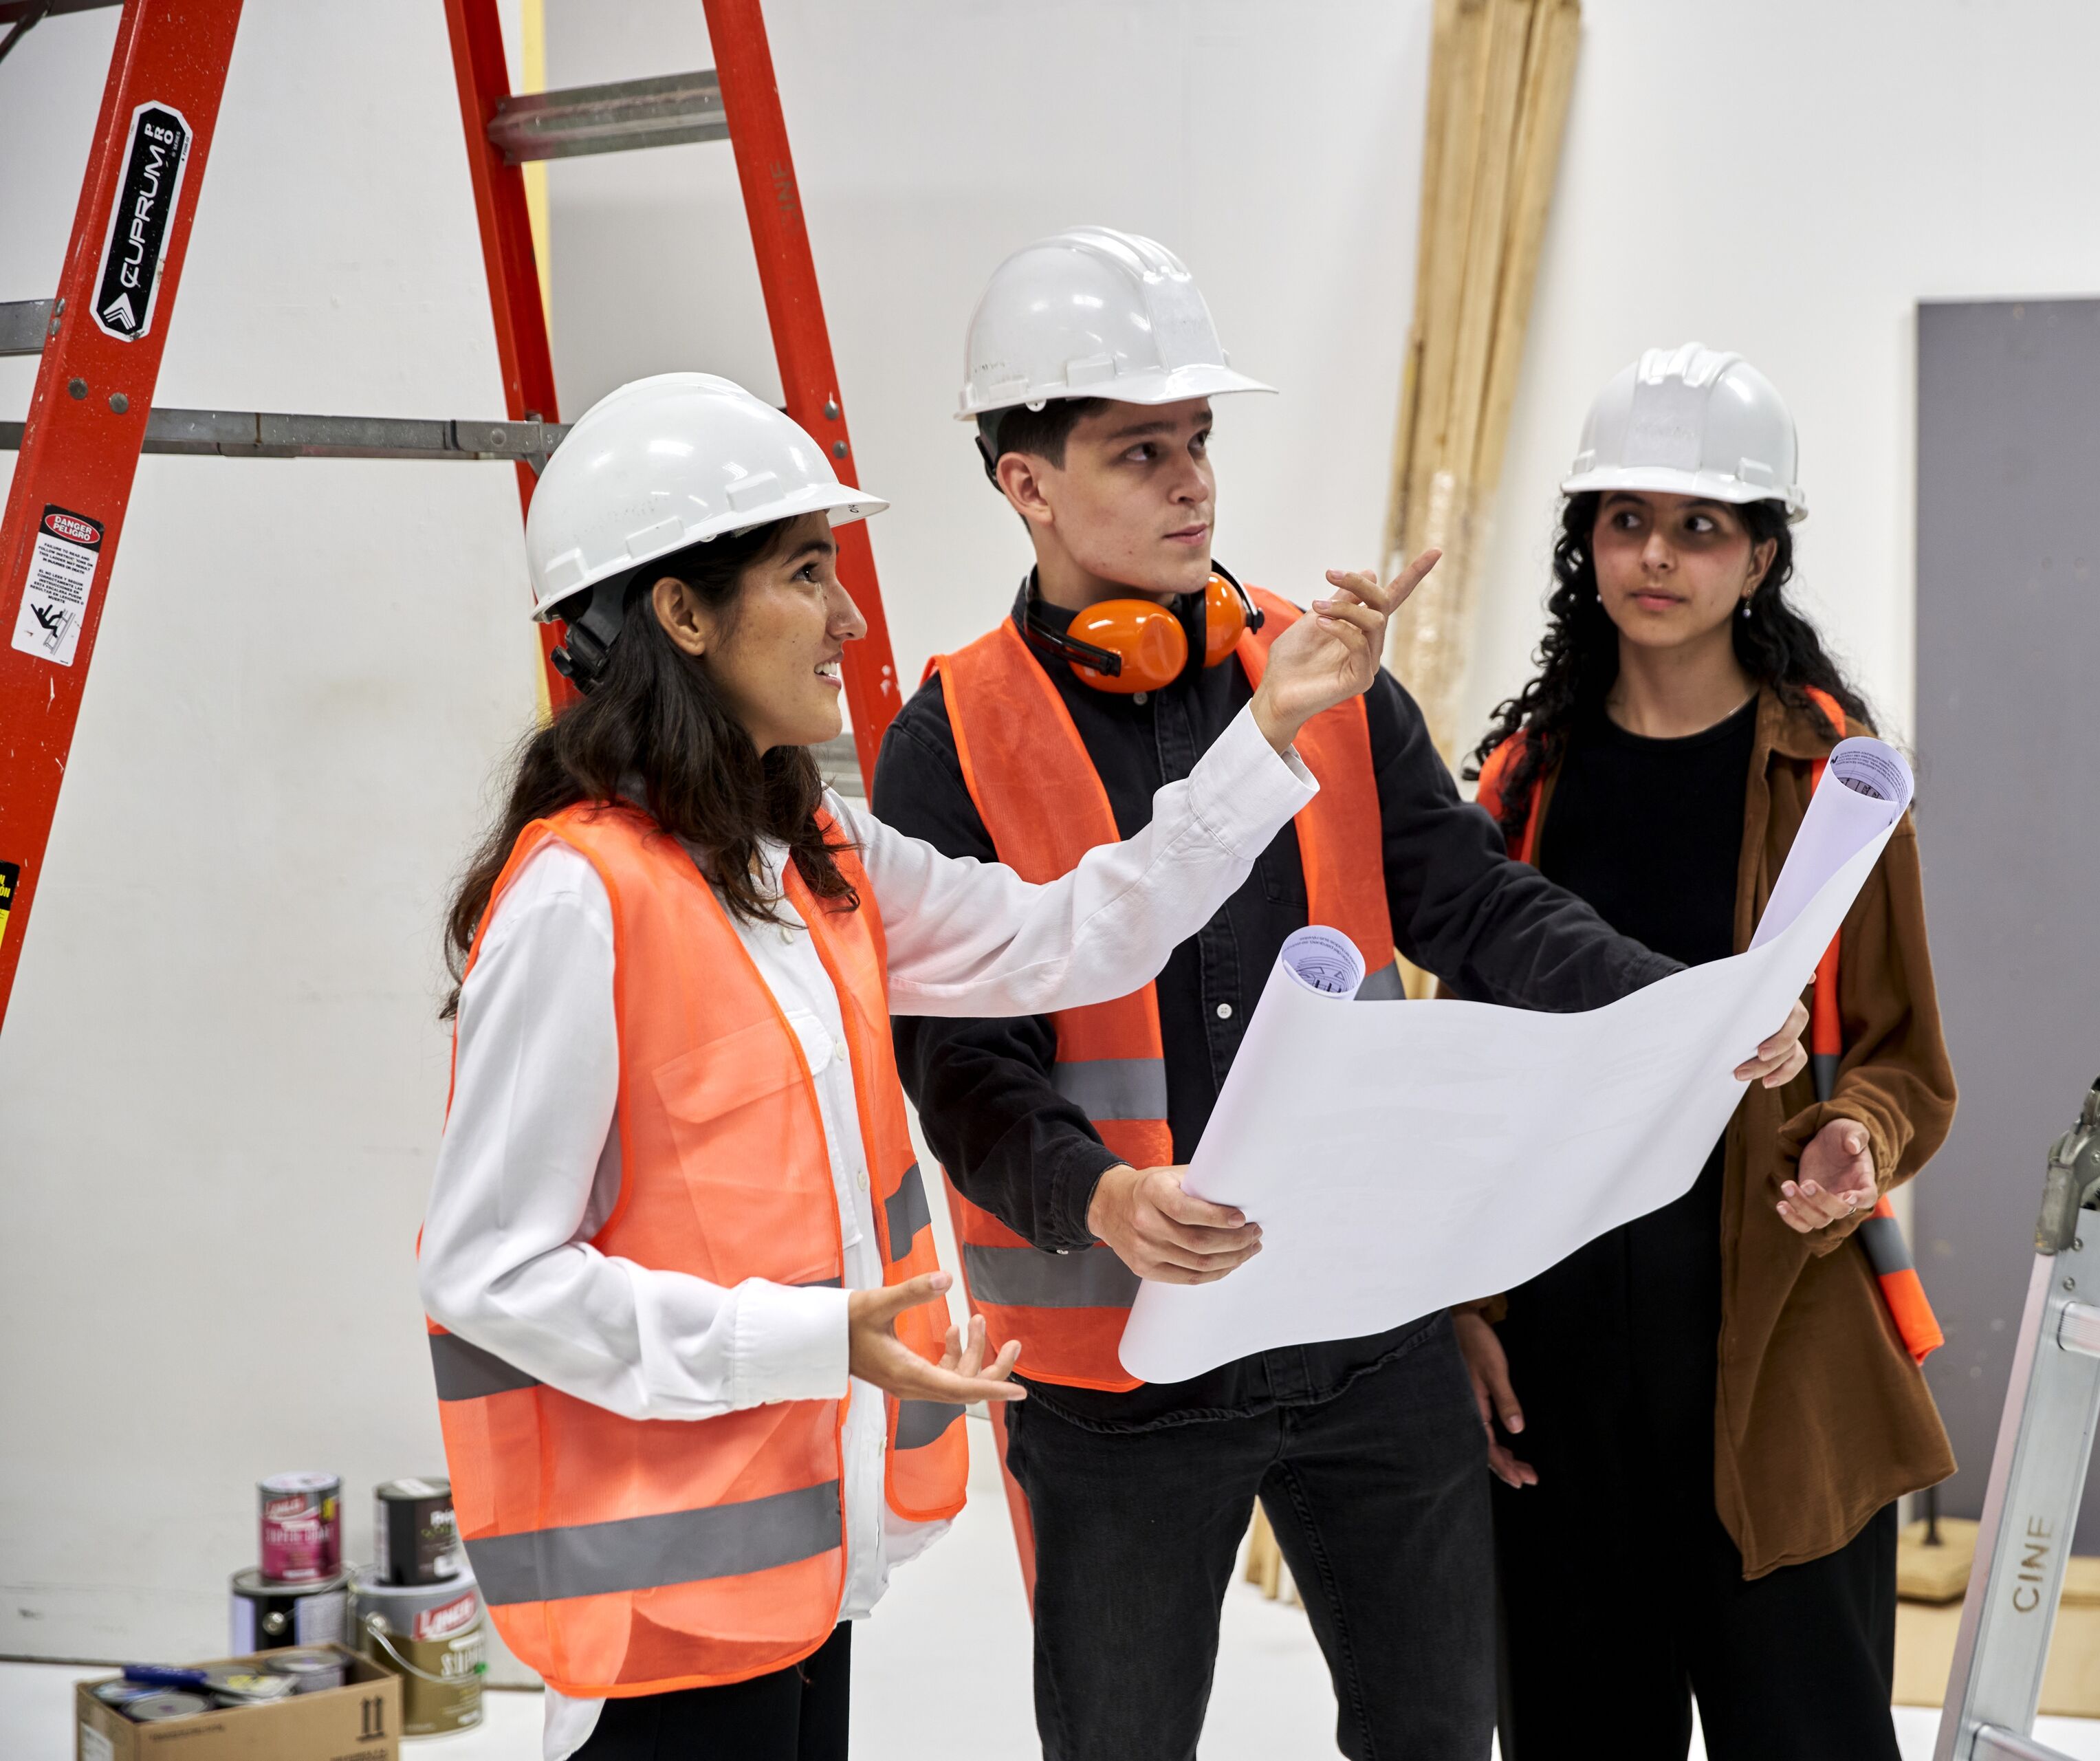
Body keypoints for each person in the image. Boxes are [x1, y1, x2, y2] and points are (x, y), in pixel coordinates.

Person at [875, 230, 1809, 1761]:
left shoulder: (1324, 683)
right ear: (1025, 483)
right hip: (1117, 1372)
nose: (1194, 484)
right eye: (1138, 451)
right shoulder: (952, 738)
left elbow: (1474, 902)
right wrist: (1098, 1196)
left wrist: (1675, 1006)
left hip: (1369, 1336)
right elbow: (959, 1060)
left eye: (1199, 443)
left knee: (1438, 1736)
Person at [417, 371, 1408, 1761]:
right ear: (683, 616)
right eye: (807, 574)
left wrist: (1268, 733)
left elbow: (1079, 931)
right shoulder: (579, 901)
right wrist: (812, 1340)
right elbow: (488, 1276)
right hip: (655, 1619)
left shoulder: (809, 851)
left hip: (799, 1571)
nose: (848, 617)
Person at [1454, 344, 1958, 1760]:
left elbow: (1909, 1060)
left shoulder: (1837, 781)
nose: (1656, 556)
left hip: (1777, 1353)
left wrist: (1856, 1137)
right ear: (1587, 545)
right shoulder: (1523, 784)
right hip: (1558, 1358)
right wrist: (1467, 1308)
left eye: (1700, 527)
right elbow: (1468, 1072)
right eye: (1626, 520)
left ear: (1762, 556)